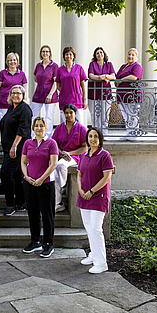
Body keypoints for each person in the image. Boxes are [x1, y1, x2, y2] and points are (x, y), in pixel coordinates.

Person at [77, 127, 114, 274]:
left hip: (98, 197)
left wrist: (92, 191)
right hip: (84, 196)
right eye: (90, 136)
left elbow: (107, 177)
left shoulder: (105, 155)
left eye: (95, 136)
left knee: (96, 229)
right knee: (88, 227)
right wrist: (80, 190)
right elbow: (79, 175)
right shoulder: (84, 155)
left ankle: (101, 263)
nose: (92, 139)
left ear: (100, 140)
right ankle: (93, 255)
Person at [21, 117, 58, 257]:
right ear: (33, 128)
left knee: (47, 214)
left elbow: (53, 164)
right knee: (33, 213)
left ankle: (48, 244)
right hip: (29, 183)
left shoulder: (51, 143)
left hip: (46, 183)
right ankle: (35, 241)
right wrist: (27, 177)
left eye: (41, 126)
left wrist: (41, 179)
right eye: (36, 126)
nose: (38, 128)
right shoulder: (27, 143)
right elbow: (23, 162)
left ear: (46, 127)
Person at [0, 85, 32, 216]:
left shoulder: (24, 108)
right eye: (13, 93)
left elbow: (23, 129)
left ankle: (10, 204)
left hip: (18, 148)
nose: (15, 95)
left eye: (18, 93)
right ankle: (20, 202)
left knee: (5, 173)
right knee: (18, 176)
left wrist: (14, 146)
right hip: (9, 148)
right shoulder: (11, 108)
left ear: (23, 95)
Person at [51, 104, 87, 213]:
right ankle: (58, 204)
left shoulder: (81, 128)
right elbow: (54, 143)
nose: (68, 115)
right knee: (54, 178)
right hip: (61, 155)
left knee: (61, 165)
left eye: (71, 112)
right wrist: (61, 152)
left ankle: (63, 187)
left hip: (75, 156)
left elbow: (85, 147)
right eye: (66, 113)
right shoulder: (59, 127)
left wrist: (69, 153)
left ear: (75, 114)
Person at [55, 47, 88, 126]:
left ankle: (82, 138)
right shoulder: (60, 70)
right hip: (64, 100)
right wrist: (64, 91)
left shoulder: (79, 68)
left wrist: (85, 99)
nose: (68, 56)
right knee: (66, 124)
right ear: (64, 56)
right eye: (66, 54)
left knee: (80, 123)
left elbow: (83, 84)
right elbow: (58, 85)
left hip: (77, 100)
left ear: (73, 56)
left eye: (70, 54)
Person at [115, 48, 144, 140]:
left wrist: (121, 80)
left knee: (132, 114)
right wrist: (117, 82)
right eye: (129, 54)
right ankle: (129, 133)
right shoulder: (123, 66)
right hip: (122, 95)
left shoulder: (137, 66)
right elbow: (117, 76)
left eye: (132, 55)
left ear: (136, 57)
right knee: (125, 115)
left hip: (133, 94)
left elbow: (134, 77)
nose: (130, 56)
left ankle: (134, 133)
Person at [32, 45, 59, 138]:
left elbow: (56, 82)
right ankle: (33, 136)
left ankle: (47, 136)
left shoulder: (54, 66)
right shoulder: (38, 66)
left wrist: (50, 94)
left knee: (48, 117)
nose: (45, 53)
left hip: (50, 95)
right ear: (41, 54)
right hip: (38, 94)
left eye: (47, 51)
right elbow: (35, 78)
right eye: (43, 51)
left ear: (50, 53)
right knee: (33, 115)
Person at [88, 47, 116, 134]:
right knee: (94, 114)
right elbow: (91, 75)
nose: (99, 54)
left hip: (106, 93)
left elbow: (113, 76)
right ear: (95, 55)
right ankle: (95, 132)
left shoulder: (109, 64)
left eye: (101, 52)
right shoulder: (92, 64)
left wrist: (105, 76)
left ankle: (104, 133)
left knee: (105, 114)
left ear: (104, 54)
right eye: (97, 53)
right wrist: (101, 77)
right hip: (93, 93)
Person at [0, 52, 28, 121]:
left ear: (17, 61)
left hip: (17, 104)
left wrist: (24, 102)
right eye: (10, 60)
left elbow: (24, 91)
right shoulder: (2, 73)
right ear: (7, 62)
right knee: (2, 122)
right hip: (3, 103)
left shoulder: (22, 74)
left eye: (14, 60)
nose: (12, 62)